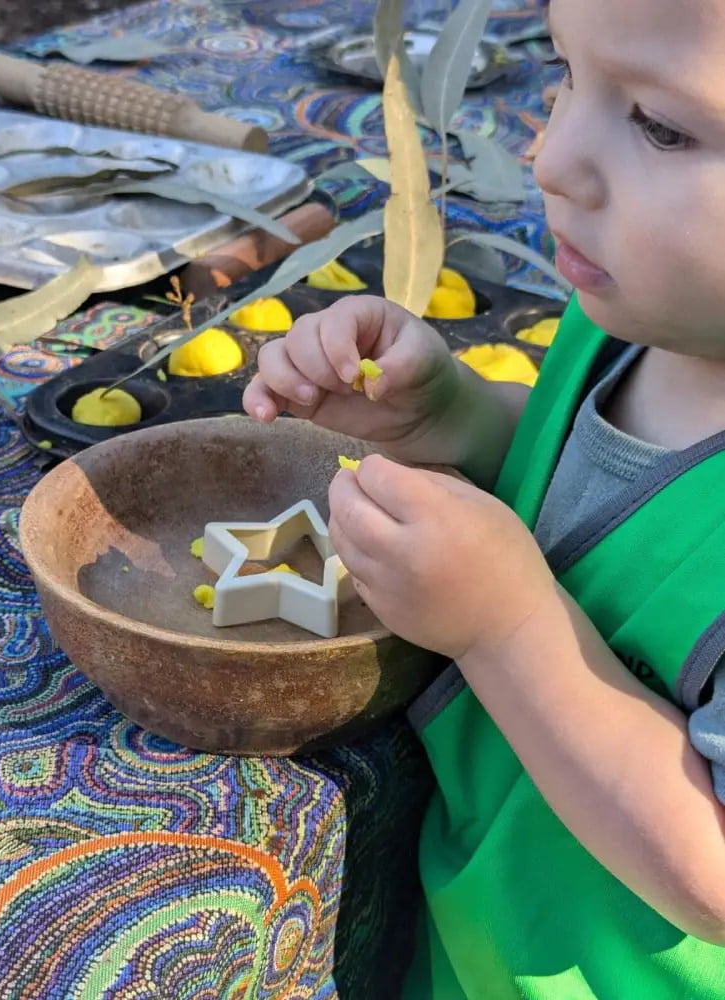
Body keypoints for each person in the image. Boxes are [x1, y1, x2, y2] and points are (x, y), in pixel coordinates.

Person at [243, 0, 725, 994]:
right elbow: (608, 499)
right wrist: (455, 416)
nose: (549, 158)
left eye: (661, 123)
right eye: (566, 75)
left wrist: (507, 627)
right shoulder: (635, 322)